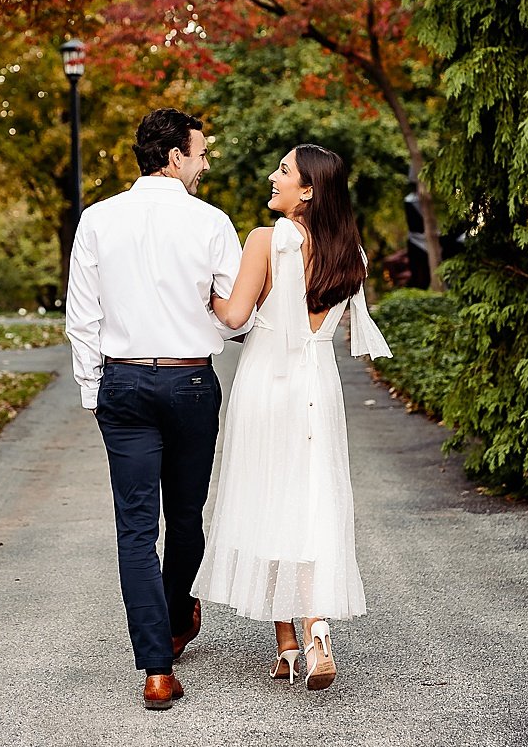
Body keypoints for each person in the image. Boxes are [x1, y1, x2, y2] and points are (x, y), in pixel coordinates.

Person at [65, 108, 249, 711]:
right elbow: (235, 314)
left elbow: (82, 317)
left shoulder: (97, 219)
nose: (203, 165)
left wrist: (95, 394)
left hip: (122, 386)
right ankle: (173, 620)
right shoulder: (211, 222)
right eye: (199, 154)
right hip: (190, 382)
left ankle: (157, 669)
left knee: (135, 527)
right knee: (187, 514)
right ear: (174, 157)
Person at [193, 144, 392, 691]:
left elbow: (234, 315)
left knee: (265, 497)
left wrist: (204, 291)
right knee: (309, 498)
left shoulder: (266, 239)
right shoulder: (352, 253)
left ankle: (296, 634)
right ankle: (303, 637)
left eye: (284, 171)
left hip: (266, 383)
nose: (273, 176)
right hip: (318, 385)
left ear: (308, 190)